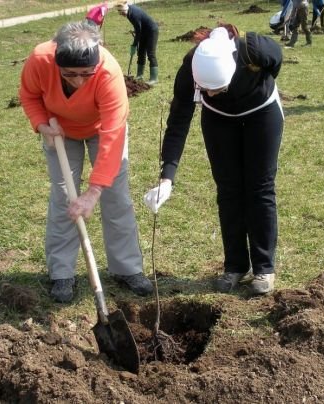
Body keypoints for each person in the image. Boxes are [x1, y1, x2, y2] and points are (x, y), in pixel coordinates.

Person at [143, 26, 284, 295]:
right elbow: (178, 121)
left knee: (260, 188)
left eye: (218, 89)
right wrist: (167, 178)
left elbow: (276, 62)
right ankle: (235, 266)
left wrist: (259, 85)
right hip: (219, 121)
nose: (211, 94)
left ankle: (264, 268)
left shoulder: (256, 50)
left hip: (261, 112)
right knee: (228, 189)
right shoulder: (190, 68)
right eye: (205, 91)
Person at [19, 20, 153, 303]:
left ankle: (126, 268)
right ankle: (61, 273)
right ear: (56, 62)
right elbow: (30, 95)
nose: (78, 81)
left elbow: (113, 135)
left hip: (101, 130)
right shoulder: (40, 59)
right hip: (59, 131)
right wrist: (41, 124)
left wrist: (93, 192)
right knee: (65, 197)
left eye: (85, 74)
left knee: (115, 195)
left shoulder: (108, 73)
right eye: (69, 74)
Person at [115, 1, 159, 84]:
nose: (122, 15)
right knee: (141, 52)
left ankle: (154, 78)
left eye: (122, 13)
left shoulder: (133, 15)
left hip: (152, 31)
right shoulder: (129, 11)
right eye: (120, 13)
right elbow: (139, 29)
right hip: (143, 31)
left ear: (124, 10)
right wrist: (136, 44)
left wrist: (134, 45)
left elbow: (138, 31)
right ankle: (139, 75)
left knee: (151, 54)